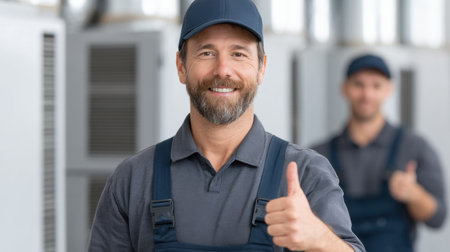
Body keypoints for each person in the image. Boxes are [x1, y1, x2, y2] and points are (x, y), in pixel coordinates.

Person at [88, 0, 364, 251]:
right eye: (207, 53)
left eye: (239, 54)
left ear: (261, 68)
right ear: (181, 66)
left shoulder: (305, 174)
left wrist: (320, 239)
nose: (222, 70)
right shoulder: (133, 179)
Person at [312, 54, 447, 252]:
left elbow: (438, 218)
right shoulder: (318, 156)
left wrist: (414, 195)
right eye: (359, 84)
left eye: (376, 86)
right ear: (345, 89)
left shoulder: (415, 147)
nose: (367, 94)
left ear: (389, 90)